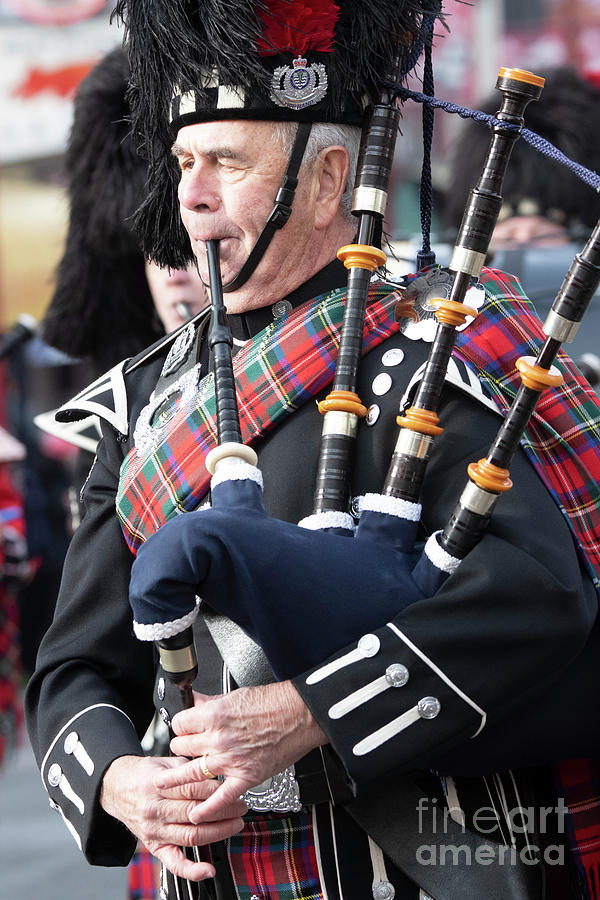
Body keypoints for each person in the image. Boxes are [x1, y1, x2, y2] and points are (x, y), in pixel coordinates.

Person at [25, 3, 600, 900]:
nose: (193, 196)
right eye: (184, 162)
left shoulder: (438, 338)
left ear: (330, 178)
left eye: (228, 163)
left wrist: (310, 714)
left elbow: (539, 593)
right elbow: (77, 667)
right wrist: (119, 780)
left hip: (437, 867)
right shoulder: (143, 402)